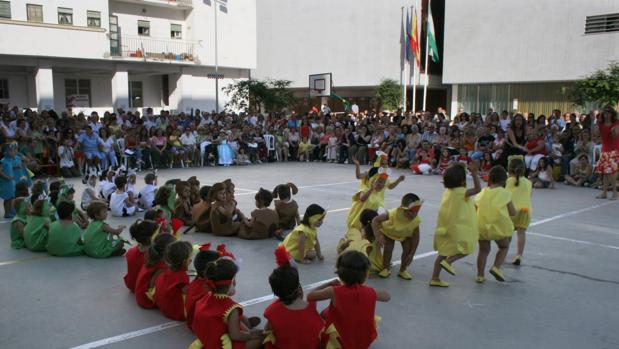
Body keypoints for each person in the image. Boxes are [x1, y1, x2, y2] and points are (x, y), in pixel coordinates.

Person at [307, 251, 390, 349]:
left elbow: (310, 296)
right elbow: (387, 296)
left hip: (339, 343)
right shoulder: (370, 292)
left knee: (324, 314)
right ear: (364, 274)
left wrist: (328, 284)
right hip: (362, 341)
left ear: (340, 272)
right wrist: (366, 289)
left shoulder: (333, 291)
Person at [191, 258, 264, 349]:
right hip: (221, 345)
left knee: (237, 325)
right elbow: (235, 336)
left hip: (207, 342)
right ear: (232, 283)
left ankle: (247, 325)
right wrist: (251, 335)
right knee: (261, 339)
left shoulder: (204, 298)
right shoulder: (231, 308)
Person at [263, 246, 324, 349]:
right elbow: (313, 294)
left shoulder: (271, 311)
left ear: (275, 292)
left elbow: (267, 331)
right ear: (299, 289)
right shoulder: (310, 304)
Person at [431, 162, 481, 287]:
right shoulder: (462, 192)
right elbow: (478, 189)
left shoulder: (448, 191)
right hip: (458, 228)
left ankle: (435, 278)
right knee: (467, 248)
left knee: (442, 253)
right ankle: (449, 261)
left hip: (445, 227)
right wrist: (475, 174)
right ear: (462, 180)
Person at [475, 166, 516, 283]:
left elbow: (475, 207)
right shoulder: (506, 193)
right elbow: (512, 213)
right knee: (504, 246)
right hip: (499, 227)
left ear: (490, 179)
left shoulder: (483, 192)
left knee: (483, 251)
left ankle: (480, 275)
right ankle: (496, 267)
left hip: (482, 226)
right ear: (504, 181)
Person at [372, 193, 422, 280]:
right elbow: (375, 220)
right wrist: (378, 236)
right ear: (402, 208)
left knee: (407, 249)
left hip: (405, 234)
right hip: (390, 232)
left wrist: (412, 253)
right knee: (388, 250)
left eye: (416, 212)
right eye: (411, 211)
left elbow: (416, 238)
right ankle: (386, 269)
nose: (414, 214)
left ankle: (403, 270)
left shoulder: (415, 221)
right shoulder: (392, 214)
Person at [134, 234, 176, 308]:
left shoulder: (151, 257)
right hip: (146, 299)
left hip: (139, 293)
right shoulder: (162, 266)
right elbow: (152, 285)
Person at [155, 241, 192, 321]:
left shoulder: (168, 268)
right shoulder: (182, 276)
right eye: (190, 259)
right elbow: (189, 292)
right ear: (184, 262)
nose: (191, 260)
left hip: (162, 305)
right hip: (175, 312)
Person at [186, 245, 220, 331]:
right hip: (200, 325)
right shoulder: (208, 288)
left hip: (191, 320)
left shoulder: (195, 281)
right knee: (229, 308)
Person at [506, 156, 532, 266]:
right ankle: (519, 255)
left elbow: (505, 196)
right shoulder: (528, 182)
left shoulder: (508, 181)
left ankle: (503, 251)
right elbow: (529, 196)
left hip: (511, 210)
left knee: (508, 233)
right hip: (525, 210)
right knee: (521, 233)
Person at [124, 220, 157, 293]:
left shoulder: (130, 251)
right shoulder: (153, 256)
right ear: (151, 237)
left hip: (131, 284)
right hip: (143, 288)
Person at [594, 107, 619, 200]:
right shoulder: (600, 124)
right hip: (605, 149)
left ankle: (615, 193)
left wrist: (613, 130)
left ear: (612, 114)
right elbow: (596, 134)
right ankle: (604, 193)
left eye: (608, 113)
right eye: (605, 113)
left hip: (614, 149)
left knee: (611, 172)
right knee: (605, 172)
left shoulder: (616, 122)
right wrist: (594, 121)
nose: (607, 115)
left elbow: (615, 136)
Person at [0, 143, 20, 218]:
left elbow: (10, 168)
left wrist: (16, 168)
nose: (14, 152)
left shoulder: (10, 160)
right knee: (7, 197)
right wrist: (6, 177)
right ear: (6, 152)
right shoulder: (3, 161)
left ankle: (10, 211)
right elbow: (0, 171)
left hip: (11, 182)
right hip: (5, 182)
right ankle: (6, 212)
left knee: (11, 197)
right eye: (12, 151)